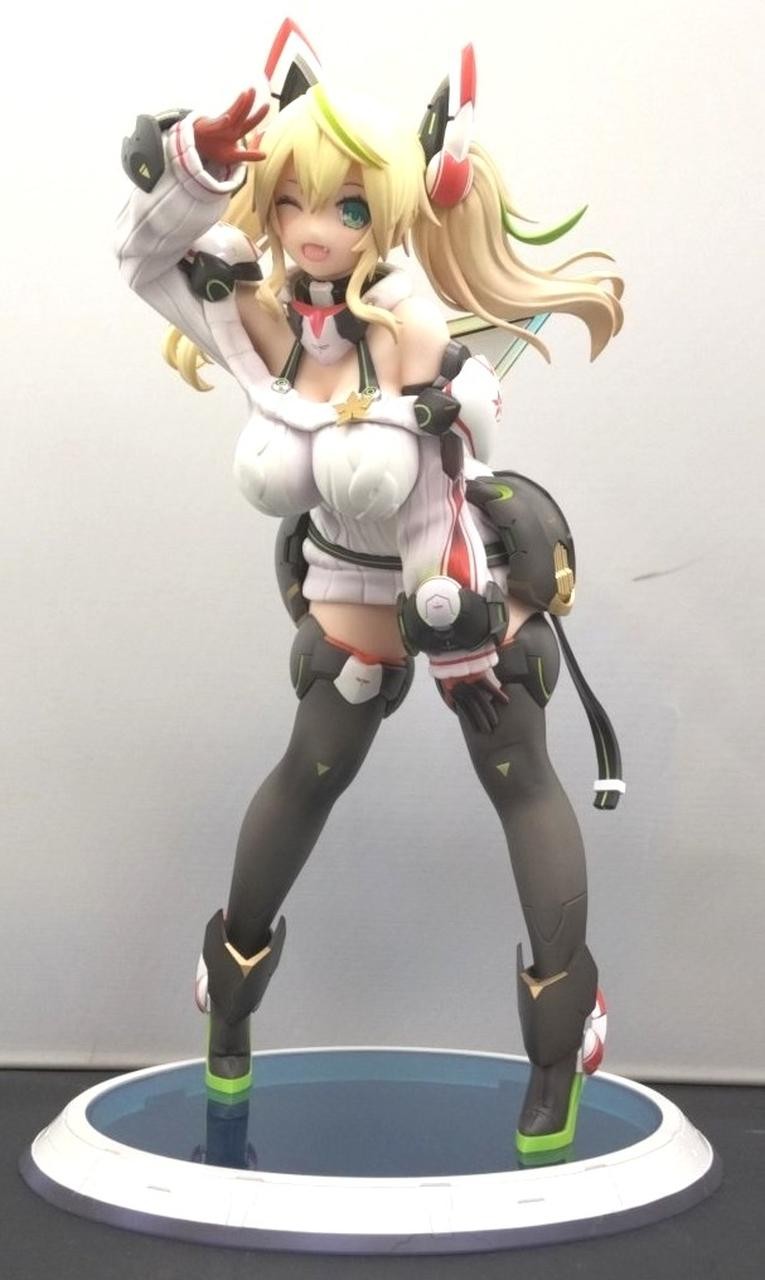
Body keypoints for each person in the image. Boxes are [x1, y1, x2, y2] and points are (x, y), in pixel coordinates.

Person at [116, 21, 622, 1154]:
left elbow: (460, 444)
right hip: (347, 592)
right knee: (309, 770)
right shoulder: (256, 314)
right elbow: (142, 263)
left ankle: (561, 1043)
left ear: (388, 213)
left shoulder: (412, 326)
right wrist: (194, 166)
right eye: (294, 198)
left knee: (517, 778)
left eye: (347, 205)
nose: (314, 227)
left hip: (456, 591)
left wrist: (433, 395)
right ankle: (229, 998)